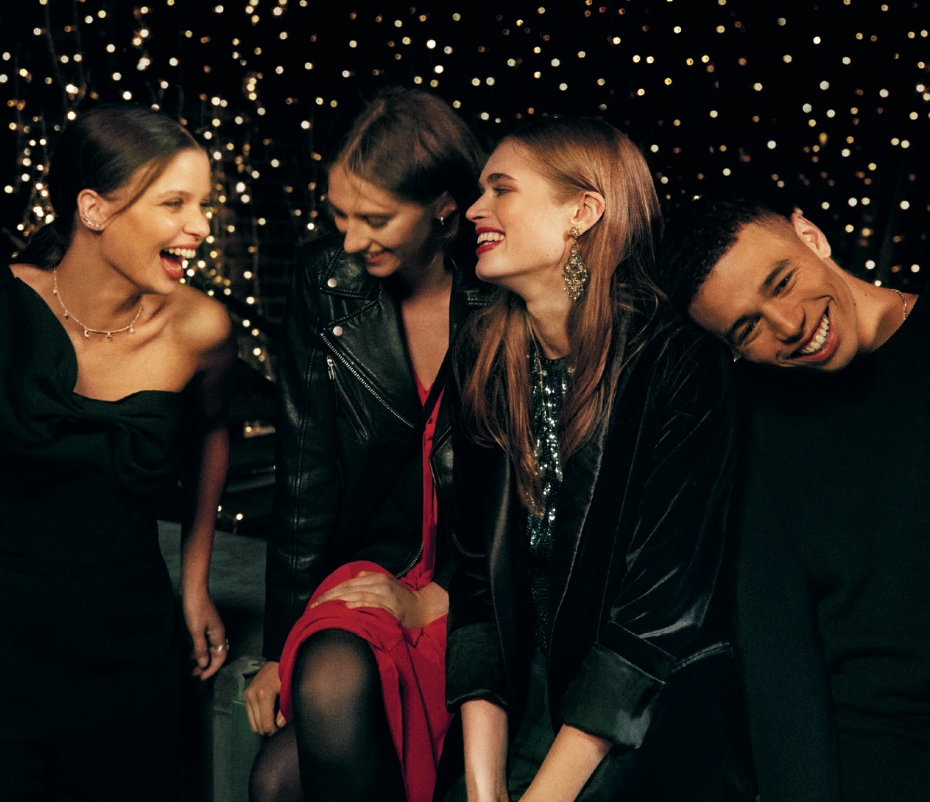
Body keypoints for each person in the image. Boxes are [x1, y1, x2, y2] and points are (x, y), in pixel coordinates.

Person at [443, 117, 754, 802]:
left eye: (501, 189)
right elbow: (474, 583)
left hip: (643, 705)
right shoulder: (482, 354)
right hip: (517, 689)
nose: (474, 210)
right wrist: (482, 786)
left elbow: (657, 616)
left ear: (582, 212)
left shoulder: (678, 362)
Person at [246, 88, 488, 802]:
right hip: (367, 573)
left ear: (445, 207)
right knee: (287, 756)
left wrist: (443, 598)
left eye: (376, 219)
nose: (351, 241)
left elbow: (542, 486)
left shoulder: (505, 287)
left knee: (282, 783)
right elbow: (306, 473)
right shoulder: (326, 282)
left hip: (478, 584)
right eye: (339, 215)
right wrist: (277, 649)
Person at [1, 102, 235, 802]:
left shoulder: (200, 327)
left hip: (128, 641)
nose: (201, 226)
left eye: (203, 204)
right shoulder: (8, 305)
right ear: (94, 209)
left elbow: (212, 433)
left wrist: (195, 582)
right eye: (175, 203)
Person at [660, 196, 928, 802]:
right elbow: (779, 656)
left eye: (781, 282)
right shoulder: (755, 431)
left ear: (811, 236)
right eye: (747, 328)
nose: (788, 325)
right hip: (877, 756)